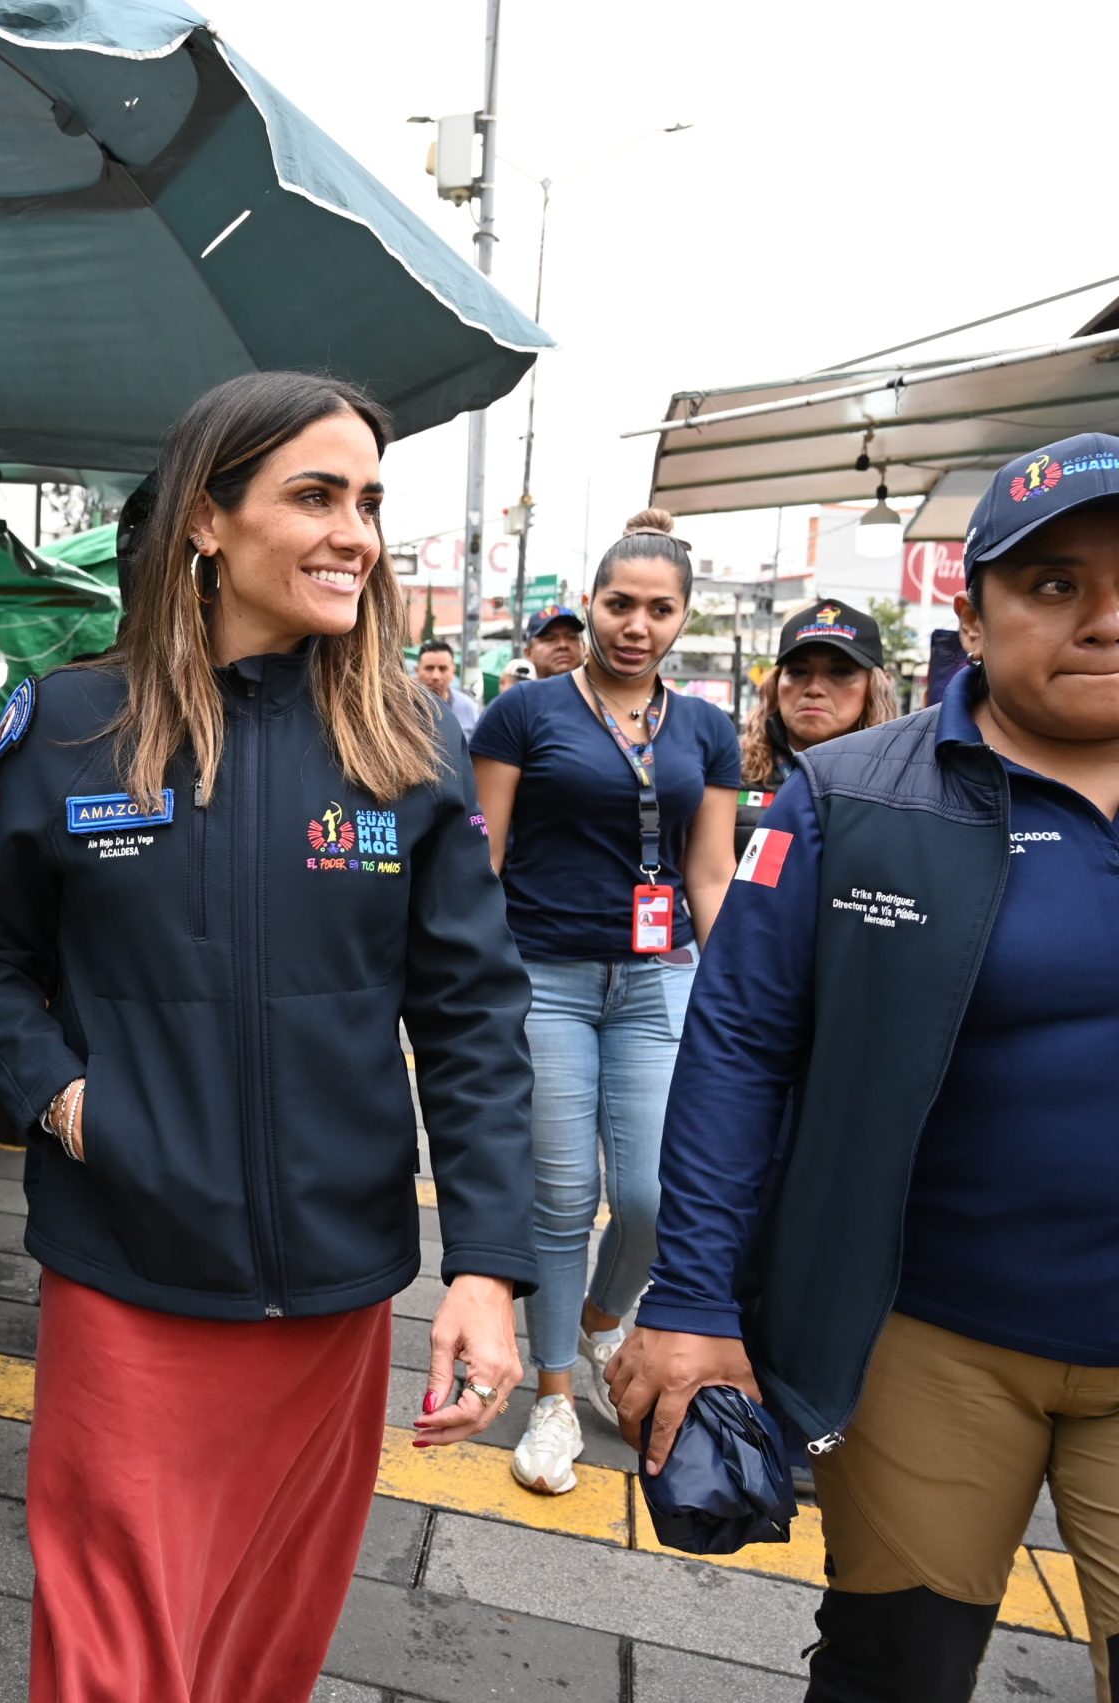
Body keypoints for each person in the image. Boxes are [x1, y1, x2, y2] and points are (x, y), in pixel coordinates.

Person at [0, 372, 536, 1702]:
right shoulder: (72, 730)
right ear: (208, 519)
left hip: (332, 1287)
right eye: (314, 495)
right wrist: (68, 1102)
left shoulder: (412, 740)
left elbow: (473, 1016)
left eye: (368, 501)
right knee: (113, 1659)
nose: (353, 533)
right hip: (126, 1261)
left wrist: (491, 1267)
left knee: (263, 1657)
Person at [613, 435, 1119, 1701]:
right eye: (1054, 583)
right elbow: (737, 1044)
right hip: (925, 1333)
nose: (1102, 619)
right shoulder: (849, 799)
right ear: (972, 612)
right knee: (896, 1663)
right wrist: (691, 1297)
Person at [468, 509, 741, 1497]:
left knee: (655, 1197)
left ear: (682, 618)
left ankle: (596, 1321)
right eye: (618, 603)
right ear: (588, 604)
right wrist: (475, 979)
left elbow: (708, 875)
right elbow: (481, 857)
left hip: (659, 979)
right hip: (543, 975)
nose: (635, 624)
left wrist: (735, 992)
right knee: (557, 1196)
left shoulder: (705, 729)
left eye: (657, 608)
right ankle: (549, 1395)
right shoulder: (526, 714)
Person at [734, 598, 898, 849]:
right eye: (798, 672)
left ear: (875, 687)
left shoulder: (903, 782)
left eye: (840, 672)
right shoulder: (730, 768)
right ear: (775, 684)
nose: (814, 689)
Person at [416, 637, 482, 735]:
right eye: (429, 668)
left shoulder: (467, 707)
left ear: (453, 671)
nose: (436, 676)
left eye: (443, 669)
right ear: (417, 670)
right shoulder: (403, 708)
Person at [526, 603, 586, 678]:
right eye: (549, 639)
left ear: (584, 647)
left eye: (571, 637)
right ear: (529, 653)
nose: (563, 645)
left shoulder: (603, 689)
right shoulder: (520, 689)